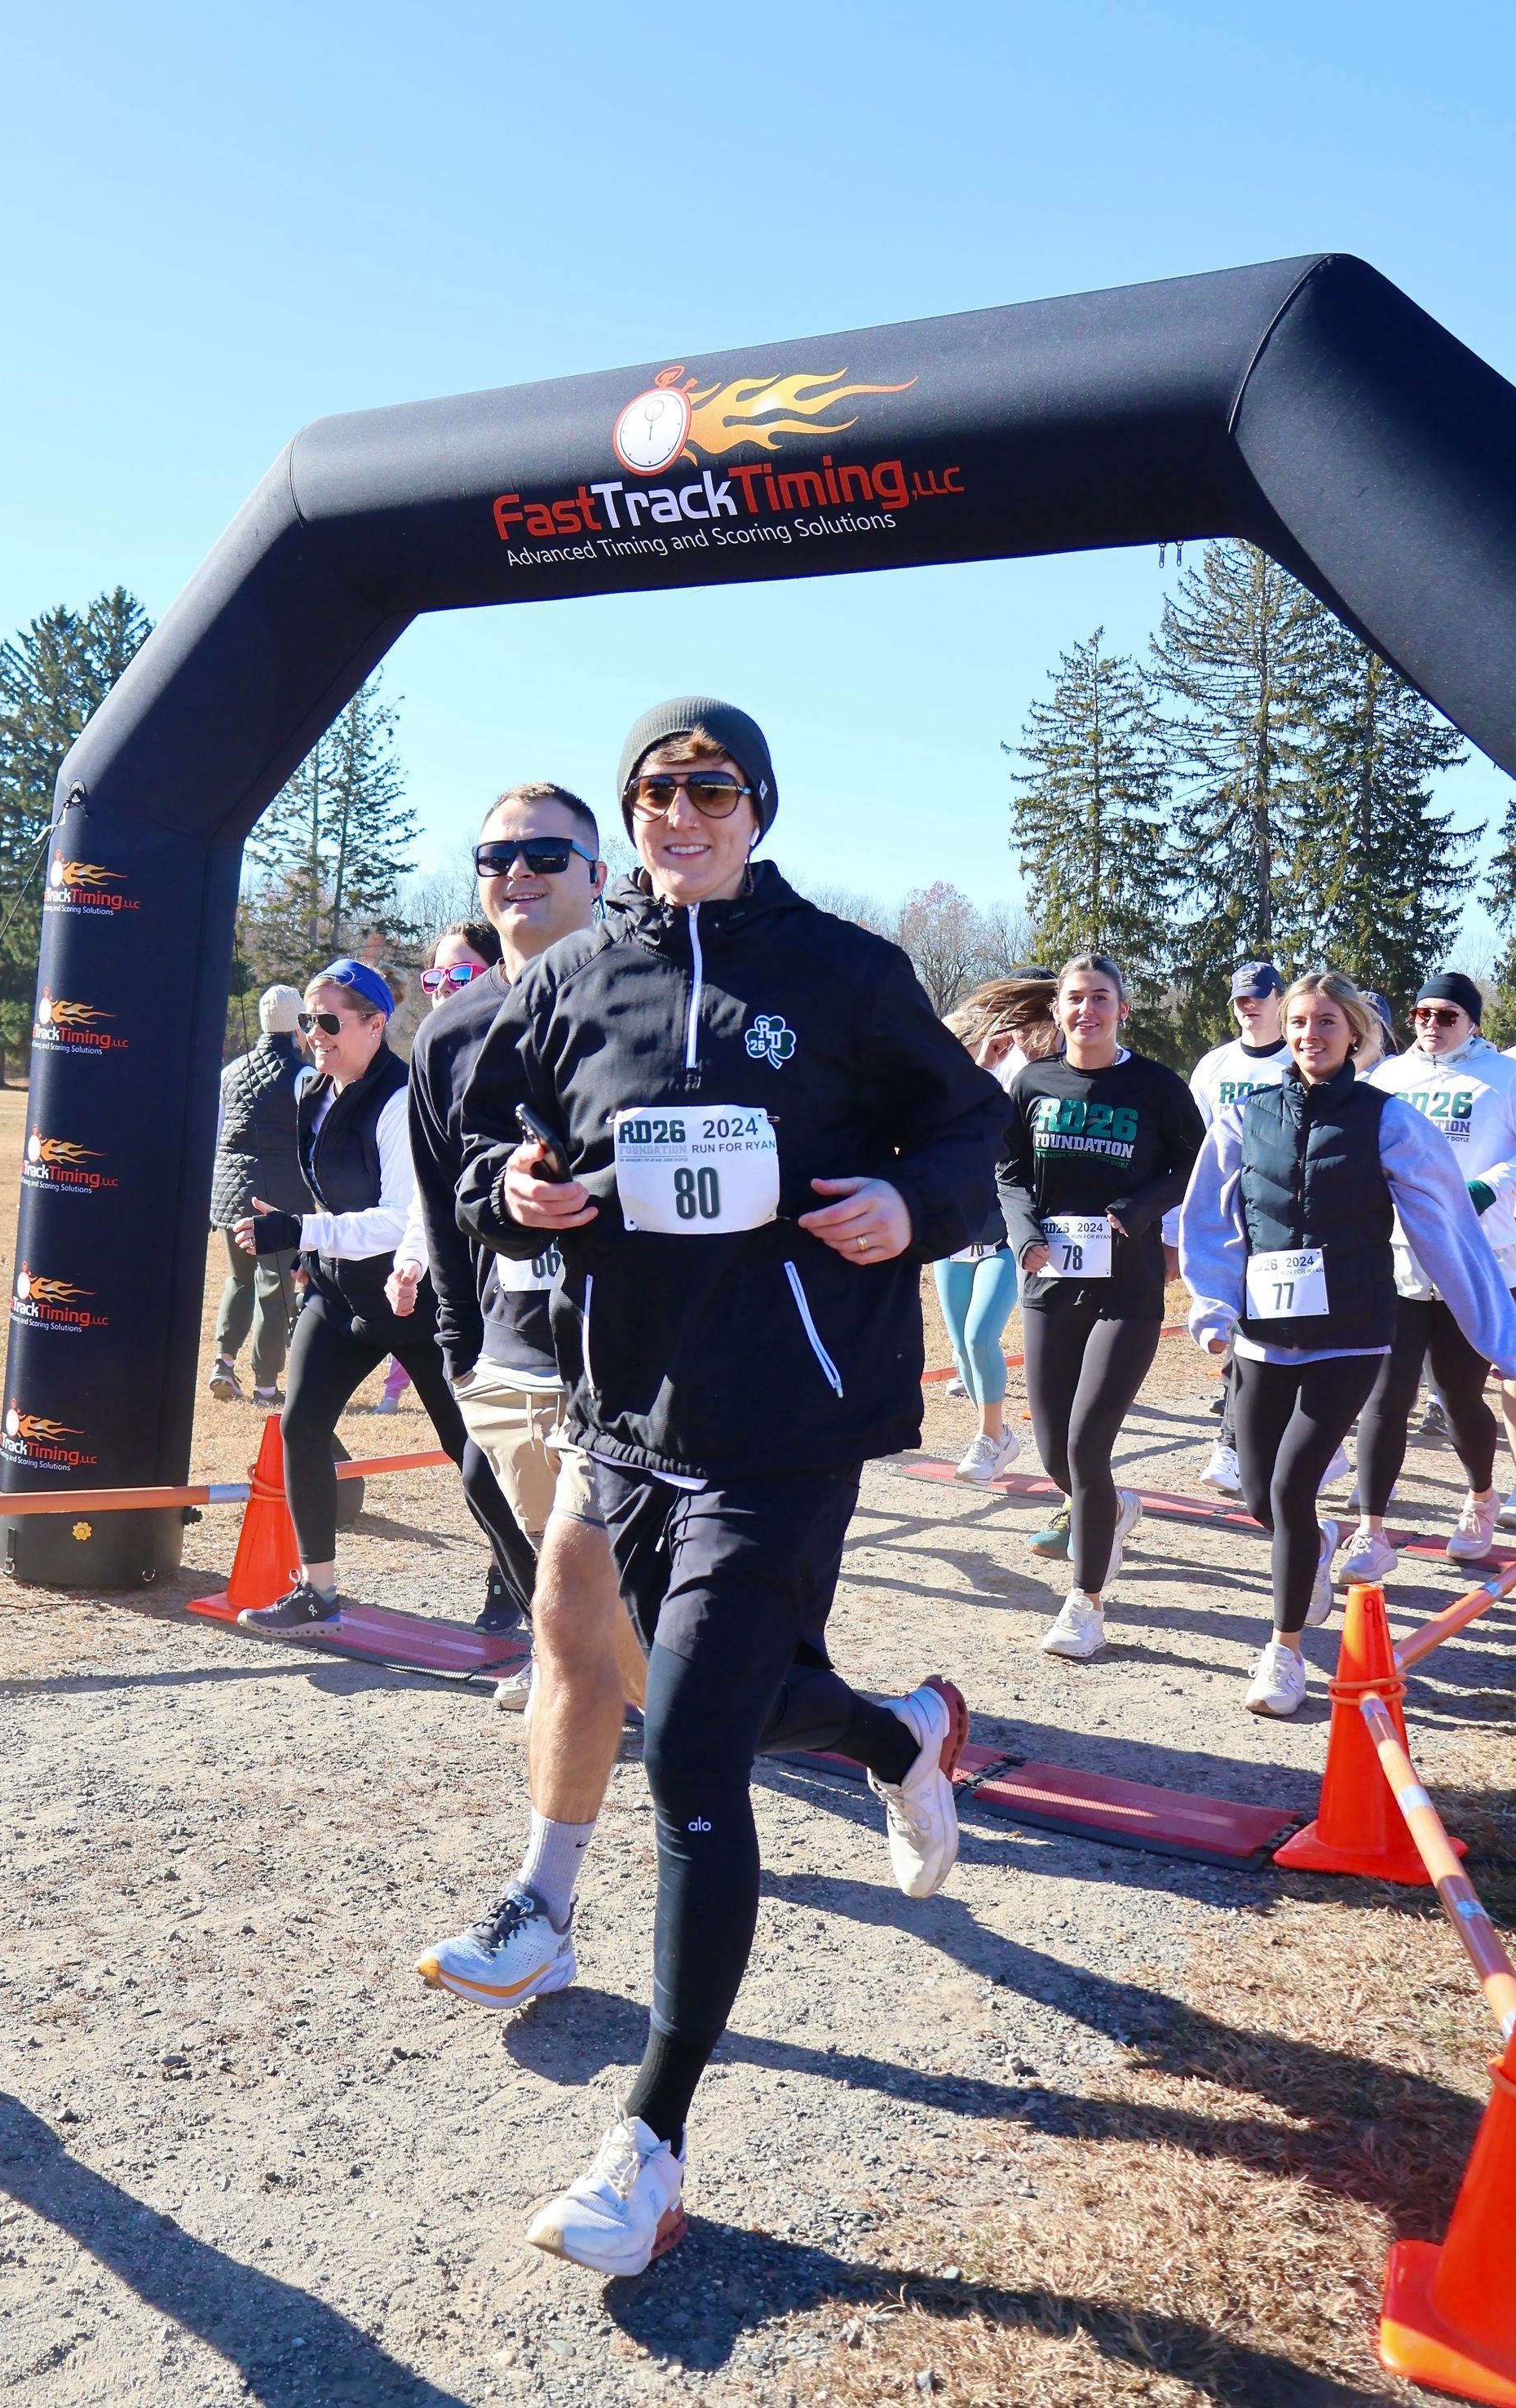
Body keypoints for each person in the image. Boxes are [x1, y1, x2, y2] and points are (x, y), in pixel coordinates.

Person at [457, 696, 1005, 2275]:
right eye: (655, 792)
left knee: (691, 1751)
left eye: (710, 790)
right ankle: (898, 1734)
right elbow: (495, 1146)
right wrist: (515, 1190)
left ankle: (649, 2148)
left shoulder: (843, 970)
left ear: (758, 807)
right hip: (628, 1419)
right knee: (721, 1696)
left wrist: (911, 1205)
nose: (679, 816)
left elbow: (972, 1128)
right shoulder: (569, 978)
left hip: (788, 1426)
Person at [400, 784, 652, 2011]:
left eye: (547, 853)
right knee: (603, 1635)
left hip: (636, 1373)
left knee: (596, 1622)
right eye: (496, 855)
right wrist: (460, 1359)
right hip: (508, 1367)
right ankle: (878, 1732)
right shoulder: (449, 1036)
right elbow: (444, 1209)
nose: (518, 872)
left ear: (597, 874)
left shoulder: (650, 1001)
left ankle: (544, 1902)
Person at [1180, 970, 1516, 1717]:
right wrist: (1213, 1306)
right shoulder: (1245, 1116)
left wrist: (1498, 1332)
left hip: (1352, 1334)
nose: (1311, 1035)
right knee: (1261, 1494)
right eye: (1300, 1021)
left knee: (1291, 1488)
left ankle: (1285, 1651)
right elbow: (1209, 1219)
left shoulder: (1388, 1119)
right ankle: (1318, 1541)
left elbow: (1446, 1227)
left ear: (1354, 1032)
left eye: (1327, 1021)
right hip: (1264, 1336)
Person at [230, 957, 533, 1635]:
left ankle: (515, 1578)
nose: (315, 1034)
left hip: (418, 1301)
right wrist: (310, 1251)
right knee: (301, 1425)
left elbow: (400, 1219)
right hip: (341, 1297)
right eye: (308, 1021)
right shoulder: (313, 1090)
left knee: (474, 1452)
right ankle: (318, 1591)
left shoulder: (401, 1099)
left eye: (330, 1022)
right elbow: (334, 1195)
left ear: (376, 1024)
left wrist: (301, 1230)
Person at [998, 953, 1204, 1661]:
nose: (1086, 1009)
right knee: (1055, 1450)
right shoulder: (1033, 1082)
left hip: (1128, 1290)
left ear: (1122, 1009)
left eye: (1100, 998)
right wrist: (1024, 1234)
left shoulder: (1155, 1086)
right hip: (1050, 1281)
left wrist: (1143, 1209)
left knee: (1088, 1445)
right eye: (1075, 998)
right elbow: (1009, 1170)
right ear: (1057, 1011)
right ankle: (1111, 1508)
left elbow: (1195, 1162)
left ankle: (1084, 1602)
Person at [1337, 972, 1516, 1578]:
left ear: (1473, 1022)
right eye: (1421, 1014)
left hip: (1475, 1256)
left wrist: (1490, 1186)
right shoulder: (1387, 1078)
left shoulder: (1504, 1078)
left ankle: (1481, 1496)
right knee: (1387, 1395)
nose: (1431, 1026)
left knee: (1460, 1394)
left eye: (1446, 1016)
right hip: (1400, 1256)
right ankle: (1371, 1531)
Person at [1170, 963, 1297, 1497]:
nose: (1248, 1006)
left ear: (1280, 999)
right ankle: (1232, 1443)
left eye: (1258, 997)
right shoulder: (1213, 1065)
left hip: (1284, 1216)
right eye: (1241, 999)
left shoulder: (1298, 1059)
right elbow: (1192, 1144)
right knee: (1238, 1325)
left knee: (1275, 1332)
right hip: (1225, 1214)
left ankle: (1258, 1442)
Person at [935, 976, 1058, 1486]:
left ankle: (988, 1437)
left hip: (1004, 1233)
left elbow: (1008, 1132)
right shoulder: (947, 1094)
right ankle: (1001, 1434)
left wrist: (985, 1070)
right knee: (963, 1351)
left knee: (980, 1335)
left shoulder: (1016, 1084)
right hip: (953, 1234)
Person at [374, 925, 500, 1419]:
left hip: (533, 1289)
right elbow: (428, 1191)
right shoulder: (431, 1070)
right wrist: (411, 1260)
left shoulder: (539, 1047)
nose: (445, 987)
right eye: (434, 979)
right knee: (472, 1448)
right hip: (464, 1294)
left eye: (462, 973)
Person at [206, 984, 307, 1408]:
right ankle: (266, 1385)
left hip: (230, 1194)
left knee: (239, 1278)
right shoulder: (305, 1076)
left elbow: (216, 1134)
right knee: (274, 1286)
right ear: (298, 1025)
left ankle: (223, 1361)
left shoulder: (230, 1072)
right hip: (280, 1198)